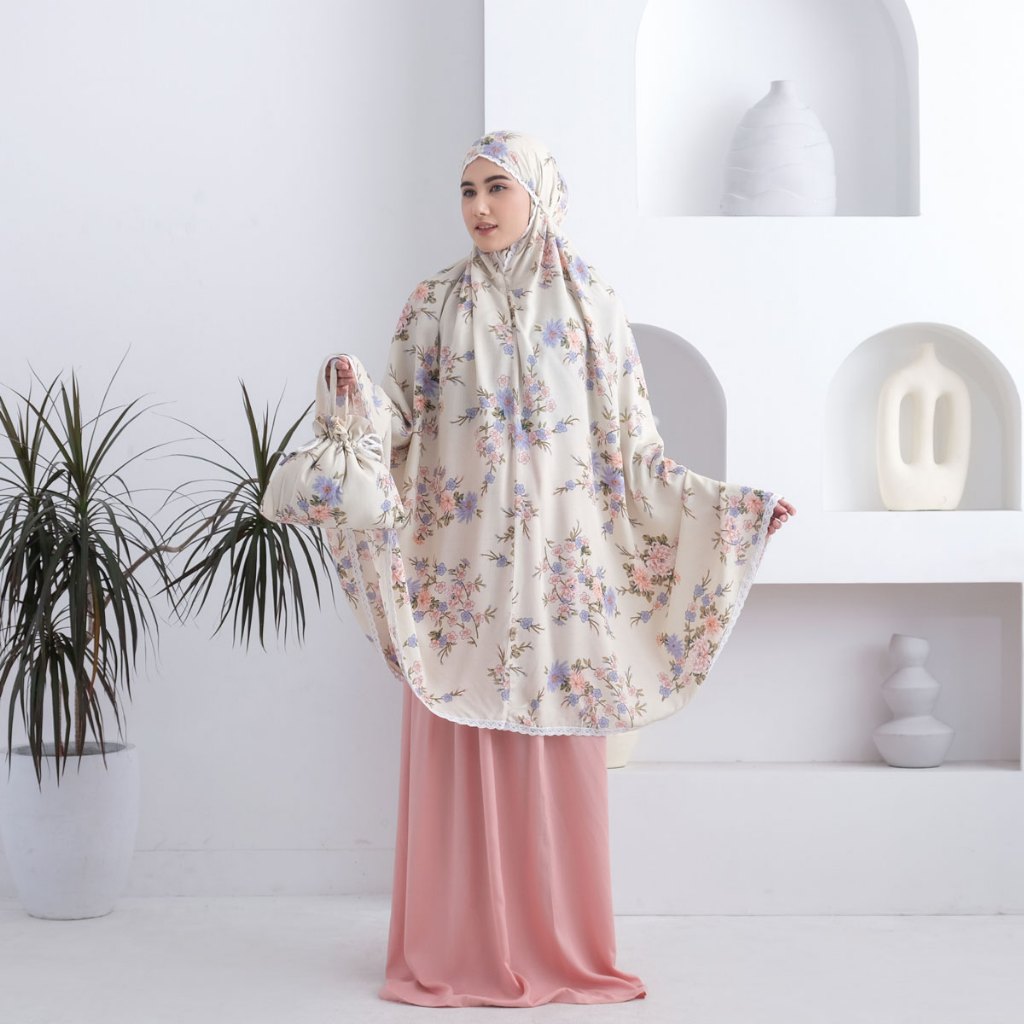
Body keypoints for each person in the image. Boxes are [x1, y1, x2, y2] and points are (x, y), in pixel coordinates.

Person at [323, 130, 795, 1007]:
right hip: (462, 575)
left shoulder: (591, 305)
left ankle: (562, 948)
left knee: (561, 739)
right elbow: (400, 425)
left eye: (497, 188)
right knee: (459, 728)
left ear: (539, 194)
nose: (479, 207)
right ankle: (453, 947)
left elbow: (636, 448)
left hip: (561, 581)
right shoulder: (431, 304)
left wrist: (732, 510)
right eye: (467, 190)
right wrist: (355, 400)